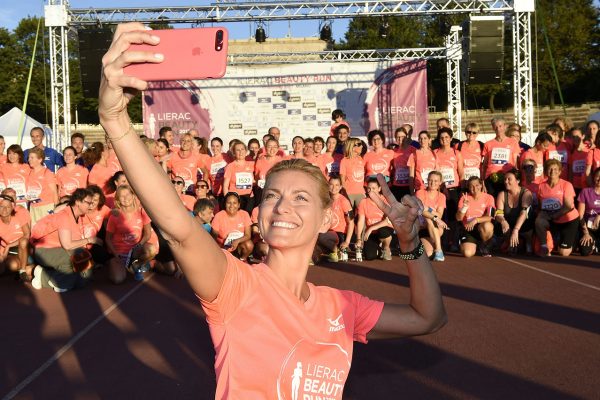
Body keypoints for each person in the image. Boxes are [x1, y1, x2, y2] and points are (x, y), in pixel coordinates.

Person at [99, 24, 445, 398]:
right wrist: (115, 121)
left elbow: (429, 318)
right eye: (272, 196)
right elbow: (179, 229)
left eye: (300, 198)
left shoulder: (342, 306)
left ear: (328, 218)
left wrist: (409, 243)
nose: (281, 206)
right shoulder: (235, 286)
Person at [30, 189, 99, 292]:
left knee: (85, 275)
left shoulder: (78, 216)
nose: (91, 205)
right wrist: (90, 240)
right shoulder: (65, 216)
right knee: (74, 258)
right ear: (78, 202)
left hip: (60, 250)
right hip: (44, 250)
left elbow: (75, 243)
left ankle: (52, 277)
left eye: (92, 203)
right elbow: (67, 245)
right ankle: (44, 277)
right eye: (88, 202)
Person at [105, 185, 157, 283]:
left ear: (133, 196)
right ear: (118, 200)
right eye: (122, 196)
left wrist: (139, 246)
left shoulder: (142, 212)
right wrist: (116, 255)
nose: (125, 198)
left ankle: (136, 265)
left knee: (151, 249)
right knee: (118, 280)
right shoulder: (114, 216)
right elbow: (108, 239)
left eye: (128, 194)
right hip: (119, 253)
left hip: (135, 251)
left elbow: (147, 234)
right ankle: (118, 266)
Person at [534, 159, 580, 257]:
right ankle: (544, 246)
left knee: (563, 253)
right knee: (539, 221)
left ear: (560, 172)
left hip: (568, 220)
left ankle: (575, 239)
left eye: (555, 169)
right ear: (546, 171)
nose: (552, 171)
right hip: (553, 220)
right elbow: (540, 206)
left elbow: (568, 206)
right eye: (550, 169)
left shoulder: (567, 185)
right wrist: (541, 215)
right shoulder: (541, 186)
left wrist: (555, 215)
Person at [494, 169, 534, 254]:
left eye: (509, 179)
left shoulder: (526, 193)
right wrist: (503, 221)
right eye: (505, 179)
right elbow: (498, 214)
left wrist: (516, 230)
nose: (506, 181)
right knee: (501, 224)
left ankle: (528, 242)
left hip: (524, 225)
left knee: (529, 251)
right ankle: (510, 242)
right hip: (509, 225)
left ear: (518, 181)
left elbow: (523, 214)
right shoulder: (502, 194)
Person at [355, 178, 395, 261]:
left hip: (385, 228)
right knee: (369, 256)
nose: (371, 191)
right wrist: (359, 238)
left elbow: (387, 220)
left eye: (373, 188)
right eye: (369, 188)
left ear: (379, 189)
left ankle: (386, 248)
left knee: (382, 232)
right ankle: (379, 247)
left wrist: (371, 228)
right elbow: (360, 221)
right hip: (372, 233)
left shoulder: (385, 200)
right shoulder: (363, 202)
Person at [456, 177, 495, 258]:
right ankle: (472, 244)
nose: (474, 188)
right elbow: (458, 218)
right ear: (468, 187)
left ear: (481, 185)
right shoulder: (464, 197)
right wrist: (464, 207)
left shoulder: (489, 197)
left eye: (477, 185)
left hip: (482, 227)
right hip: (468, 229)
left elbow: (491, 216)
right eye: (471, 186)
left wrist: (476, 220)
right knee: (467, 253)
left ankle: (484, 244)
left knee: (488, 226)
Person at [319, 176, 354, 262]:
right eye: (331, 184)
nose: (334, 188)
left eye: (337, 185)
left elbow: (351, 222)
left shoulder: (344, 201)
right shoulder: (325, 200)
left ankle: (336, 251)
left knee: (321, 237)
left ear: (341, 187)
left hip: (339, 233)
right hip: (327, 230)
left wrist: (347, 242)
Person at [481, 117, 520, 196]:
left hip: (507, 179)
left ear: (505, 126)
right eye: (495, 126)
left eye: (500, 126)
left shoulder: (513, 142)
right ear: (493, 128)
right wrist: (482, 182)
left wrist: (516, 179)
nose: (498, 129)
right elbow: (484, 165)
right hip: (491, 179)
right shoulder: (488, 144)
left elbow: (515, 164)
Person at [211, 192, 254, 262]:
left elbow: (248, 235)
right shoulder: (219, 216)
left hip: (239, 245)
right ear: (225, 204)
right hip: (223, 247)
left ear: (239, 205)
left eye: (234, 203)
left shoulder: (244, 214)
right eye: (229, 203)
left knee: (249, 245)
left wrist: (237, 241)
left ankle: (242, 260)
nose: (231, 206)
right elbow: (213, 237)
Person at [415, 171, 447, 261]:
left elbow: (439, 215)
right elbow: (421, 210)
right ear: (427, 181)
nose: (433, 183)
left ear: (440, 182)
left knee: (429, 219)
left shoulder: (442, 196)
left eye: (436, 181)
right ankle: (436, 248)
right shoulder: (420, 193)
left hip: (435, 228)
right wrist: (433, 216)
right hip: (422, 228)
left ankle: (438, 250)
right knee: (428, 254)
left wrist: (427, 208)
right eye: (430, 180)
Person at [0, 194, 33, 278]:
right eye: (1, 206)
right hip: (12, 253)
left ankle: (22, 271)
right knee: (12, 266)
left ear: (12, 208)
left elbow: (27, 235)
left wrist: (8, 246)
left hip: (26, 249)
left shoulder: (19, 215)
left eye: (8, 207)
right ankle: (28, 268)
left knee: (23, 241)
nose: (4, 209)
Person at [26, 147, 59, 224]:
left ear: (40, 160)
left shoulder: (47, 173)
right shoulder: (30, 172)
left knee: (45, 231)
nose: (29, 160)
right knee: (34, 232)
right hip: (33, 207)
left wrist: (56, 208)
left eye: (32, 158)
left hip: (46, 206)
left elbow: (54, 192)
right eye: (29, 157)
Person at [223, 141, 255, 213]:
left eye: (242, 149)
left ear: (246, 151)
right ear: (234, 153)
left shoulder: (252, 164)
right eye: (238, 150)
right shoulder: (230, 166)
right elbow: (225, 186)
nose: (240, 152)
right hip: (235, 198)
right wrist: (227, 200)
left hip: (249, 197)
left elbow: (255, 179)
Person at [578, 167, 600, 256]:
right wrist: (586, 233)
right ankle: (593, 243)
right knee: (585, 251)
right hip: (587, 227)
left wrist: (599, 216)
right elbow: (580, 215)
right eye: (598, 176)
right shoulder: (585, 192)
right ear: (593, 177)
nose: (599, 179)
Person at [339, 137, 366, 209]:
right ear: (352, 147)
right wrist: (344, 193)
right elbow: (342, 179)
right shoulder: (344, 160)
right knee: (349, 217)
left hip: (361, 192)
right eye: (359, 144)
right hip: (349, 193)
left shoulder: (361, 159)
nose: (362, 146)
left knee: (362, 215)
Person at [390, 127, 416, 200]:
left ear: (406, 137)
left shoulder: (413, 150)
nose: (400, 139)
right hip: (397, 186)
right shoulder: (393, 151)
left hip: (409, 185)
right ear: (395, 138)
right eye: (398, 137)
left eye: (402, 137)